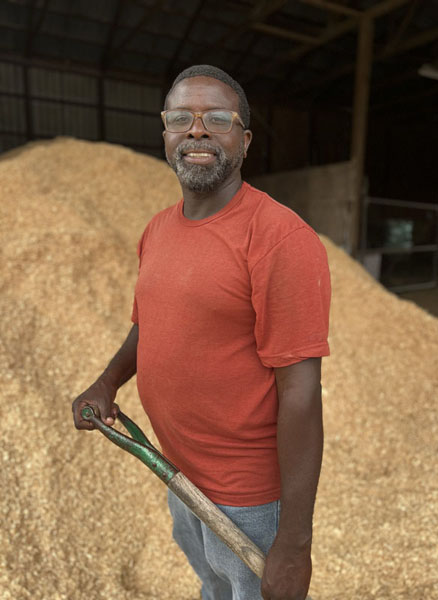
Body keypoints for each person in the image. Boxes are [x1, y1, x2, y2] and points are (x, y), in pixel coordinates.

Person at [72, 64, 331, 600]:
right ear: (165, 134)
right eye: (180, 119)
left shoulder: (280, 238)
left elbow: (301, 392)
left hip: (249, 498)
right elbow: (151, 326)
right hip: (177, 473)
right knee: (211, 586)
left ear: (245, 139)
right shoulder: (159, 229)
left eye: (217, 118)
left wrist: (294, 543)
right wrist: (107, 382)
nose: (196, 130)